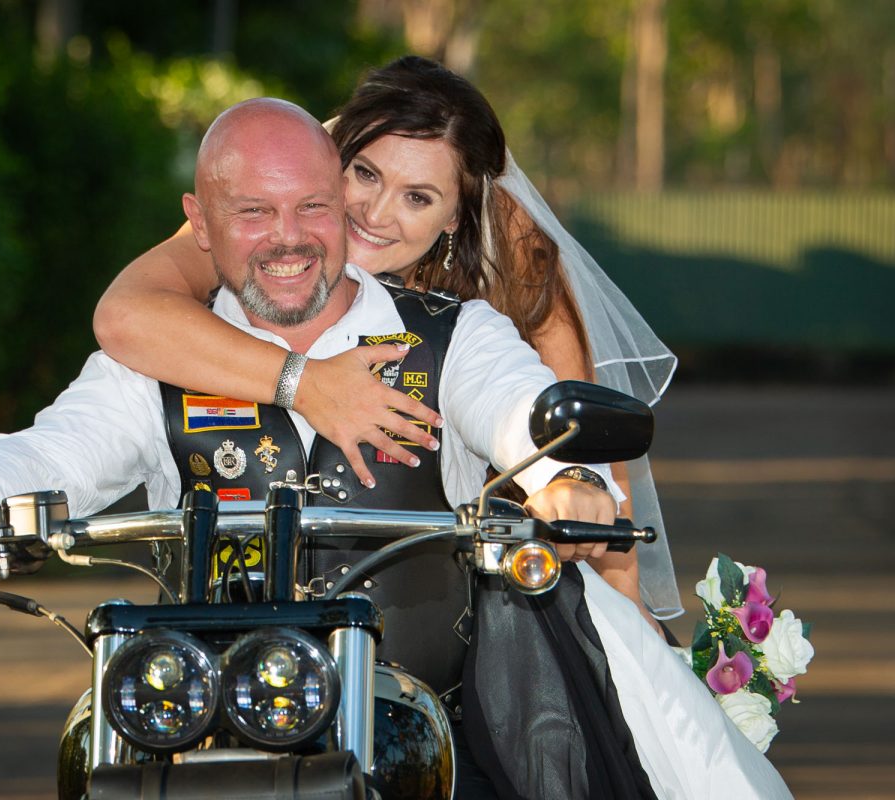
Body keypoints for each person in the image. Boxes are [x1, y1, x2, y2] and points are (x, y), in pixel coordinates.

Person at [0, 98, 791, 799]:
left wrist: (568, 479)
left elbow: (523, 409)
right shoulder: (156, 360)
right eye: (253, 211)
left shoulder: (452, 336)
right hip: (200, 720)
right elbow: (59, 448)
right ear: (198, 225)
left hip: (420, 723)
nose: (287, 238)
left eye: (312, 207)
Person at [91, 56, 683, 631]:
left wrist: (588, 521)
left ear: (455, 215)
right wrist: (307, 382)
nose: (374, 214)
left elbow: (559, 434)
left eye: (418, 197)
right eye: (364, 174)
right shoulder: (276, 219)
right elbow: (128, 316)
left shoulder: (513, 260)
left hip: (481, 592)